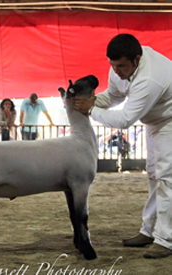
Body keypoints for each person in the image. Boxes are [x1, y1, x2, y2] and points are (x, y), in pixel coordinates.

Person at [68, 34, 172, 258]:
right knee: (154, 175)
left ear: (136, 59)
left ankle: (166, 239)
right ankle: (149, 230)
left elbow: (125, 119)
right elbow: (114, 96)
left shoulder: (149, 78)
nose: (116, 71)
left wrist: (90, 110)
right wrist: (92, 101)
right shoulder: (120, 67)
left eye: (121, 66)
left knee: (166, 179)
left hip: (169, 121)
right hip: (156, 121)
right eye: (112, 65)